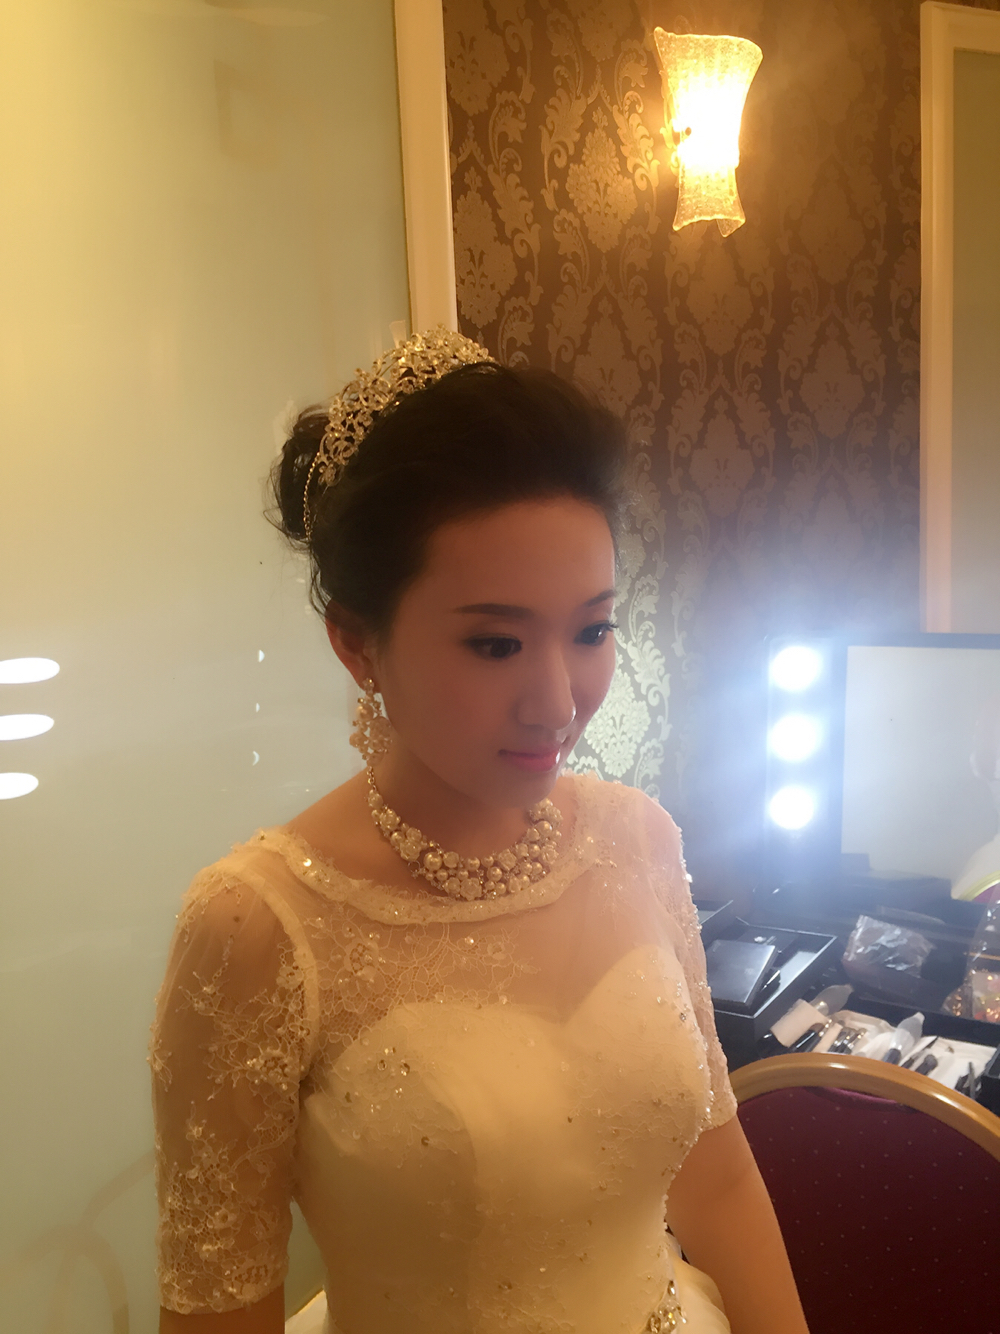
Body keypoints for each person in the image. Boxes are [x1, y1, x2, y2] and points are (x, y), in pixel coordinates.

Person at [151, 329, 808, 1334]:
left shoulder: (638, 839)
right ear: (357, 643)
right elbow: (218, 1312)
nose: (558, 703)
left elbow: (715, 1177)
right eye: (496, 643)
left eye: (590, 629)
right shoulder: (255, 930)